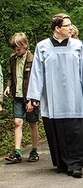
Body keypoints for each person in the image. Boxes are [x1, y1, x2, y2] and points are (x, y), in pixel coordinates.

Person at [27, 14, 83, 178]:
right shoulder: (42, 47)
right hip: (52, 97)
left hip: (73, 96)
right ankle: (62, 162)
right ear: (57, 28)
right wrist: (35, 96)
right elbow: (37, 73)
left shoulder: (77, 45)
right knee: (57, 131)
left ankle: (76, 165)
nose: (71, 28)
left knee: (75, 132)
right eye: (67, 25)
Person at [3, 33, 39, 163]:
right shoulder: (13, 59)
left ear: (25, 46)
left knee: (32, 123)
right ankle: (17, 152)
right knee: (17, 122)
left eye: (18, 49)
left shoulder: (33, 59)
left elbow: (36, 79)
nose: (16, 51)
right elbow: (11, 75)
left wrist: (32, 99)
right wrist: (8, 86)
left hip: (30, 96)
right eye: (14, 49)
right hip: (17, 95)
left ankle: (34, 150)